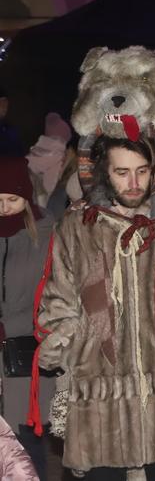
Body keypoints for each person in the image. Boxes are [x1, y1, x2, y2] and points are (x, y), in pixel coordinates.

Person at [34, 135, 155, 479]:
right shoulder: (78, 228)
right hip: (98, 395)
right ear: (105, 172)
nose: (134, 183)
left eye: (142, 171)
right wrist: (67, 348)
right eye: (122, 172)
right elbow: (58, 301)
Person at [0, 157, 55, 477]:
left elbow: (51, 300)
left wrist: (7, 326)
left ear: (27, 197)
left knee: (25, 453)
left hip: (24, 361)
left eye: (12, 199)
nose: (4, 208)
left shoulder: (46, 235)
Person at [0, 87, 23, 157]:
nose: (4, 106)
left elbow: (18, 154)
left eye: (5, 102)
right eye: (0, 102)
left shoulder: (10, 129)